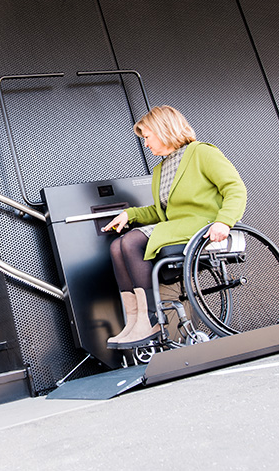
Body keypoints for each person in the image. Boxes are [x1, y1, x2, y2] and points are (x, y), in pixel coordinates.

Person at [101, 106, 246, 349]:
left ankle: (151, 319)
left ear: (163, 130)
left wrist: (224, 220)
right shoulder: (161, 168)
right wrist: (129, 214)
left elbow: (235, 189)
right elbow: (161, 213)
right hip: (176, 227)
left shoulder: (201, 153)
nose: (145, 144)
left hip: (203, 226)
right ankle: (136, 321)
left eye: (147, 137)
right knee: (117, 246)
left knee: (130, 242)